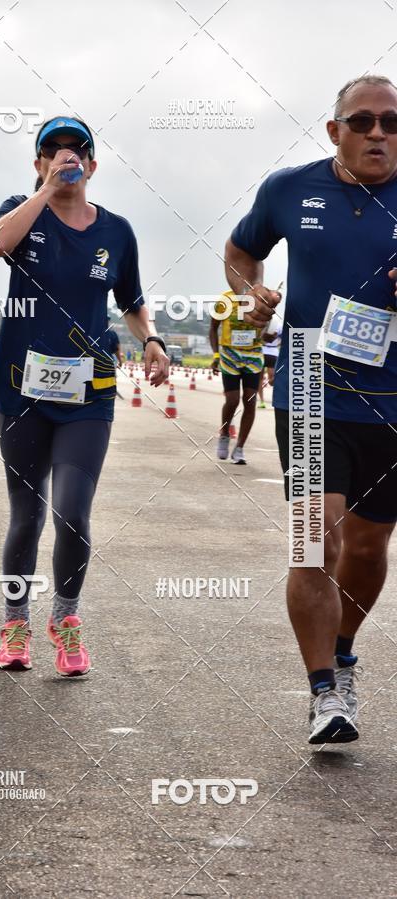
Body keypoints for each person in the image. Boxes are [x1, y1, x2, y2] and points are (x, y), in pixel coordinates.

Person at [225, 74, 397, 744]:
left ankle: (345, 650)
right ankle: (325, 691)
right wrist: (251, 291)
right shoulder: (289, 188)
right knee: (313, 536)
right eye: (362, 122)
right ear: (335, 131)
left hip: (390, 401)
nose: (378, 133)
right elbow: (242, 251)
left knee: (367, 542)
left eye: (391, 121)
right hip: (311, 390)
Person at [0, 115, 169, 675]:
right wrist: (46, 191)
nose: (66, 157)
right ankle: (15, 621)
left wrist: (154, 339)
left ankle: (66, 620)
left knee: (72, 512)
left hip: (89, 392)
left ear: (92, 164)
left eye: (77, 151)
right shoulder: (21, 207)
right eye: (53, 151)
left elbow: (132, 300)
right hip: (22, 388)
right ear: (39, 162)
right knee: (26, 515)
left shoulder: (116, 231)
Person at [209, 289, 264, 464]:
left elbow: (266, 326)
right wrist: (216, 355)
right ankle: (224, 434)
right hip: (229, 354)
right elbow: (213, 329)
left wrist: (266, 335)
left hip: (253, 355)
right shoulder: (225, 299)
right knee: (232, 400)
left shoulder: (260, 299)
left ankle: (239, 447)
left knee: (250, 400)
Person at [258, 324, 282, 408]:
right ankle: (262, 402)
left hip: (269, 352)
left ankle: (267, 401)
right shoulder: (278, 324)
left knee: (270, 380)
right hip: (266, 352)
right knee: (262, 379)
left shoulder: (278, 325)